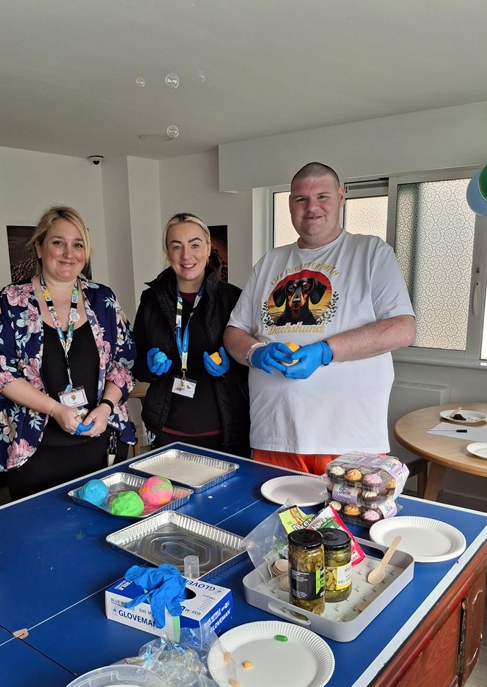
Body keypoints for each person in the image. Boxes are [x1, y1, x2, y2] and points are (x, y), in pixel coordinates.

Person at [224, 162, 415, 474]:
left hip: (350, 439)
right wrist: (254, 352)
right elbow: (234, 331)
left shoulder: (371, 252)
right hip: (274, 434)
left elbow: (402, 329)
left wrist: (325, 351)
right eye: (301, 199)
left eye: (322, 197)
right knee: (270, 507)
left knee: (344, 508)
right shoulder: (269, 262)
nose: (311, 208)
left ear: (341, 197)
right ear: (290, 204)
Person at [0, 205, 137, 500]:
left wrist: (106, 408)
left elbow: (123, 363)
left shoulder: (102, 298)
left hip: (100, 441)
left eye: (78, 245)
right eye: (58, 243)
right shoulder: (11, 301)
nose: (69, 253)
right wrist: (55, 410)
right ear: (39, 248)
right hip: (35, 450)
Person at [132, 212, 250, 457]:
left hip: (224, 433)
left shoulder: (233, 298)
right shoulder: (151, 300)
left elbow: (252, 365)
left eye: (194, 245)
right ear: (168, 252)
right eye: (177, 246)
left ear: (208, 247)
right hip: (168, 432)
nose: (186, 255)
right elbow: (137, 364)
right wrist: (149, 367)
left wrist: (228, 370)